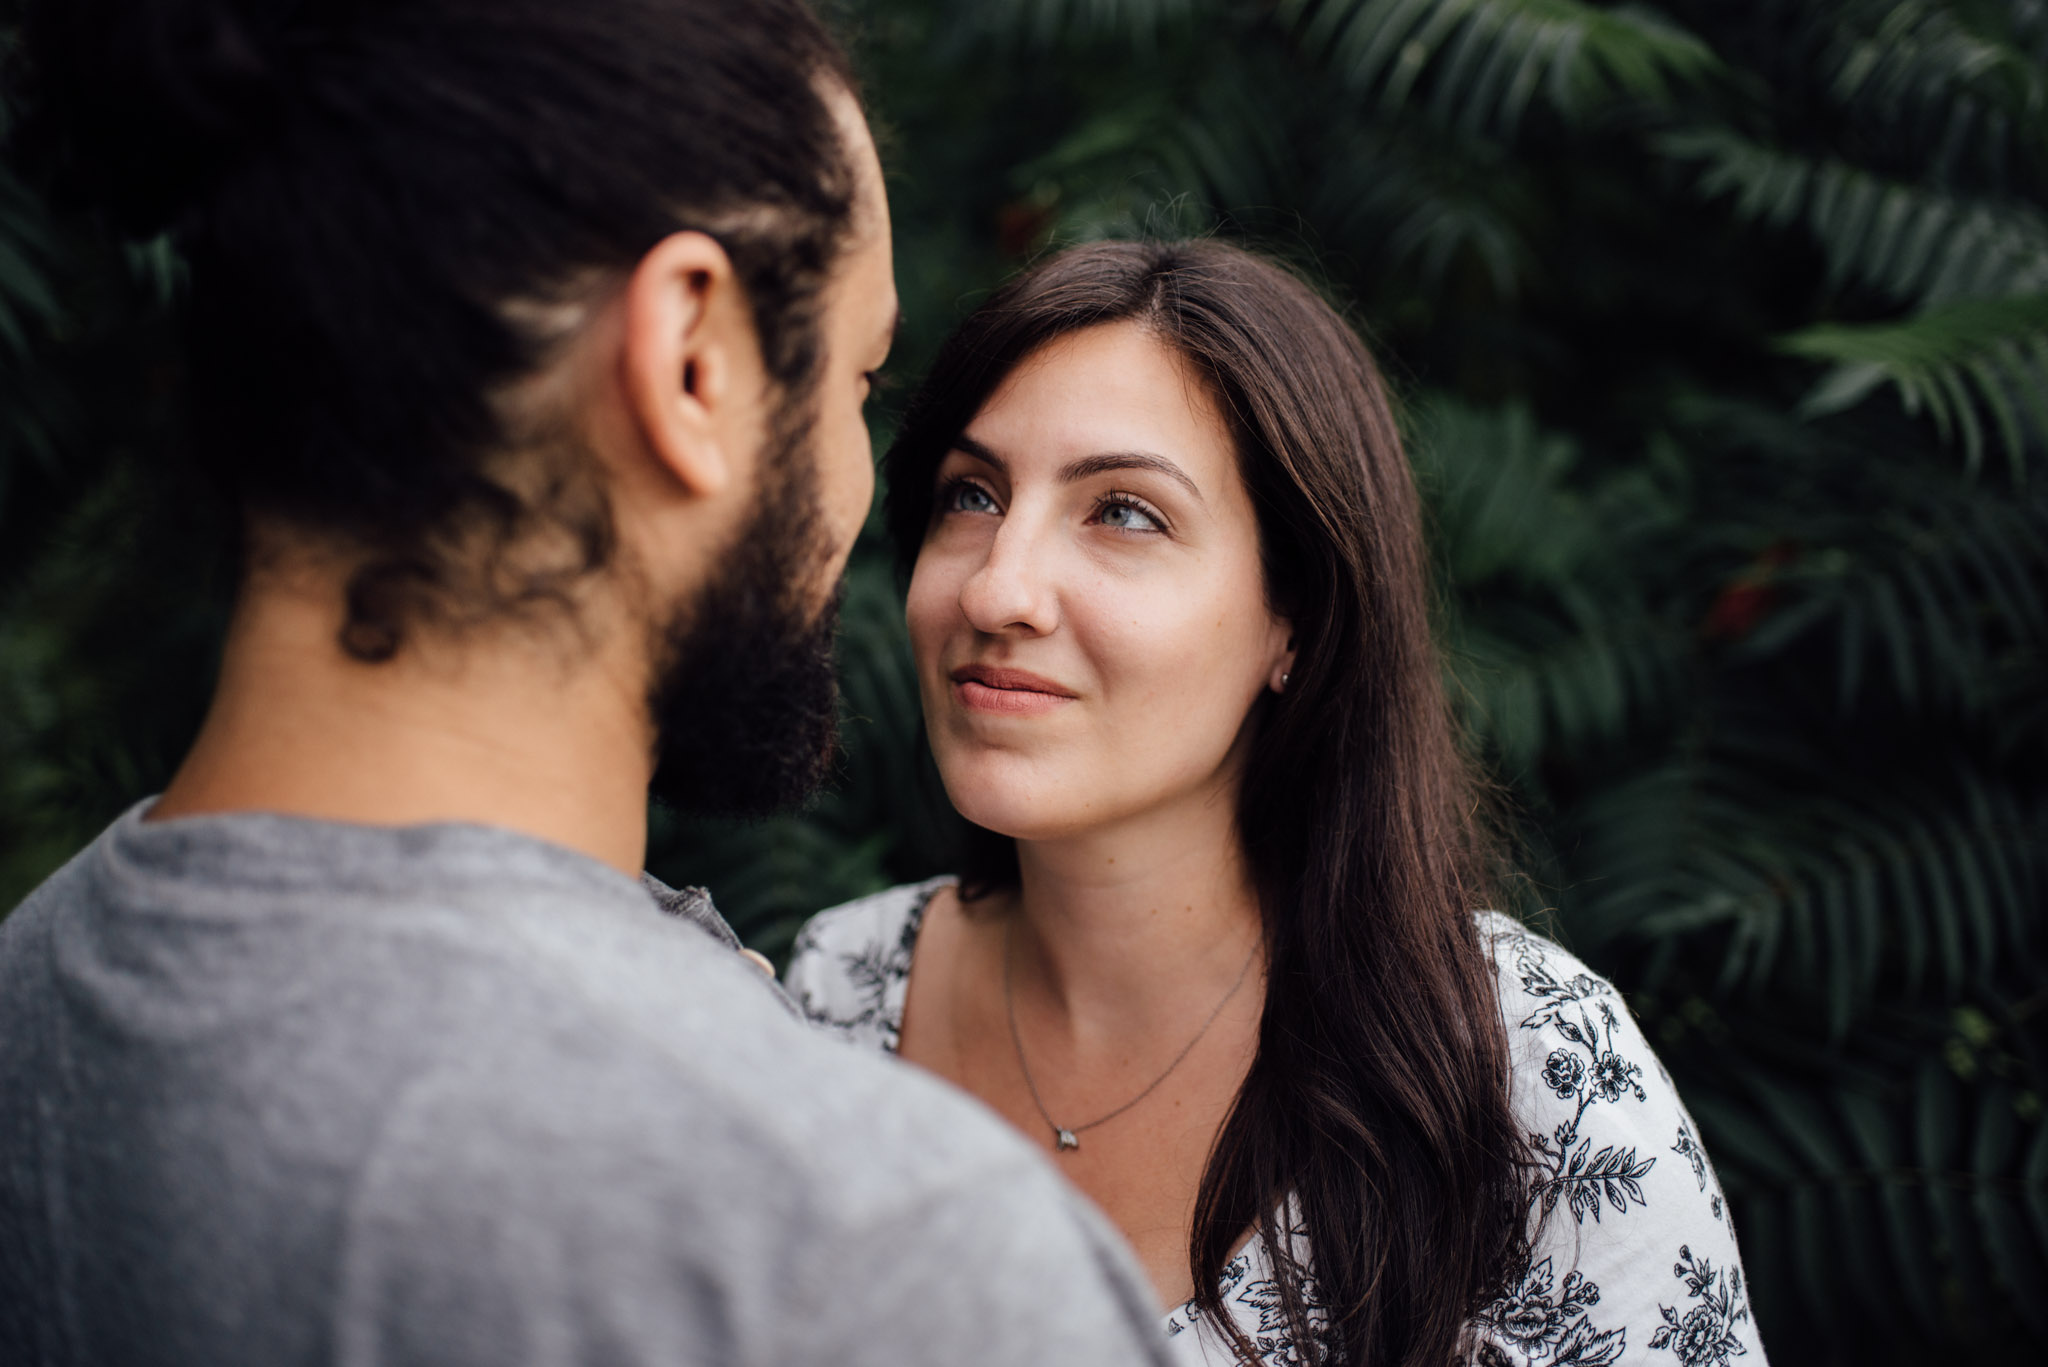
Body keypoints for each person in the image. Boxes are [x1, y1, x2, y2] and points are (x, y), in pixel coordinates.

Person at [0, 4, 1175, 1365]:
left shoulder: (34, 994)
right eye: (856, 383)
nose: (867, 493)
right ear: (692, 359)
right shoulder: (870, 1254)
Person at [786, 239, 1770, 1367]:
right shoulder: (835, 999)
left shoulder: (1526, 1078)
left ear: (1290, 620)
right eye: (972, 494)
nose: (996, 585)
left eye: (1123, 513)